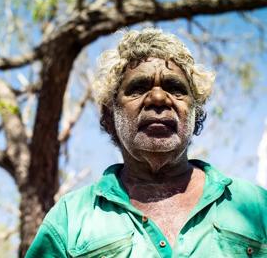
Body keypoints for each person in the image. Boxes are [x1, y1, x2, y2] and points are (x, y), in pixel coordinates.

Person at [26, 28, 267, 257]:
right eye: (138, 88)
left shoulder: (255, 205)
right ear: (110, 117)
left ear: (197, 114)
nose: (159, 98)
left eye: (175, 88)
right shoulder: (70, 218)